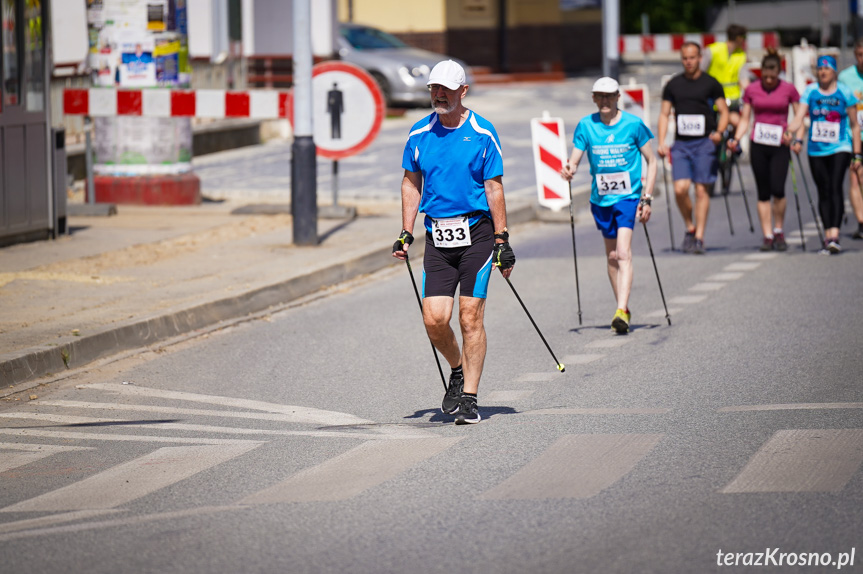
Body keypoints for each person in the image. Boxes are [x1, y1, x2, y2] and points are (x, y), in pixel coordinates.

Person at [392, 59, 514, 425]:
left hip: (477, 234)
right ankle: (457, 369)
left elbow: (494, 188)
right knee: (434, 320)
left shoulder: (482, 133)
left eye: (446, 88)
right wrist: (406, 230)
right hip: (438, 236)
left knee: (469, 317)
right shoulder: (418, 134)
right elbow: (411, 183)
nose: (439, 94)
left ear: (463, 91)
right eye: (434, 88)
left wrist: (502, 239)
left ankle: (471, 399)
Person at [561, 77, 657, 334]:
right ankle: (621, 308)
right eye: (599, 96)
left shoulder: (633, 125)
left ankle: (621, 308)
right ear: (594, 98)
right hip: (600, 199)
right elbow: (575, 160)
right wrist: (569, 170)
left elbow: (652, 160)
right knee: (612, 256)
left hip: (628, 197)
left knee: (624, 253)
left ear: (618, 97)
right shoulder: (586, 125)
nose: (604, 101)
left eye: (609, 96)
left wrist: (646, 197)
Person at [658, 42, 730, 254]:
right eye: (685, 58)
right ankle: (690, 226)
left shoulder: (711, 83)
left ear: (700, 58)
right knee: (680, 189)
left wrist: (719, 132)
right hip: (681, 144)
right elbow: (664, 114)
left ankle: (699, 237)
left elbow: (724, 111)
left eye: (692, 57)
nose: (688, 62)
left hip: (704, 143)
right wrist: (662, 141)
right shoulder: (673, 85)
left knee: (701, 190)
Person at [786, 55, 862, 254]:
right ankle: (827, 233)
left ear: (834, 71)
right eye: (820, 69)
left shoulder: (845, 92)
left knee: (835, 185)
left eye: (827, 69)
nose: (823, 72)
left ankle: (835, 236)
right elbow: (799, 117)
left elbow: (855, 126)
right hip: (816, 149)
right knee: (823, 189)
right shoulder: (811, 91)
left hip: (840, 147)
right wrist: (789, 131)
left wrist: (857, 153)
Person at [728, 49, 802, 251]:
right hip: (759, 144)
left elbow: (799, 116)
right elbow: (745, 118)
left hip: (780, 144)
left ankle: (779, 230)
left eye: (773, 76)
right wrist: (736, 138)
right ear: (760, 72)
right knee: (763, 192)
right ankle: (767, 235)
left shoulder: (789, 89)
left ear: (779, 72)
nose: (769, 80)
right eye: (765, 76)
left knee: (778, 189)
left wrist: (797, 138)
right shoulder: (752, 90)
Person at [838, 37, 863, 239]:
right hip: (853, 135)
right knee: (855, 179)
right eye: (860, 55)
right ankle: (862, 222)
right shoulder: (846, 77)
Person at [703, 24, 750, 131]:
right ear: (739, 38)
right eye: (744, 38)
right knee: (713, 130)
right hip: (712, 99)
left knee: (735, 125)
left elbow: (743, 79)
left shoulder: (741, 55)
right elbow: (700, 73)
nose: (745, 41)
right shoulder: (713, 50)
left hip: (732, 101)